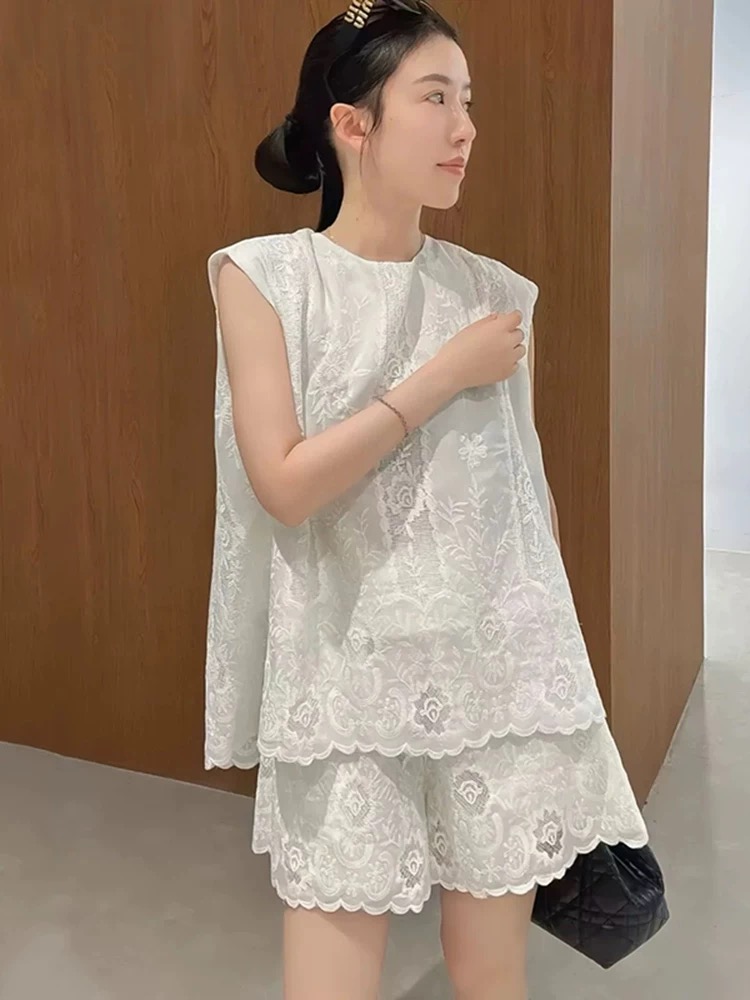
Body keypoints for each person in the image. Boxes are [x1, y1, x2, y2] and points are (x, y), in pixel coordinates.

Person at [204, 2, 648, 998]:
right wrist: (443, 374)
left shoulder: (497, 295)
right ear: (351, 123)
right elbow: (284, 486)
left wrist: (559, 678)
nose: (465, 129)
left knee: (493, 976)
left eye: (469, 102)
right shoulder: (265, 279)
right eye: (436, 99)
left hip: (496, 673)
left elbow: (528, 503)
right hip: (344, 675)